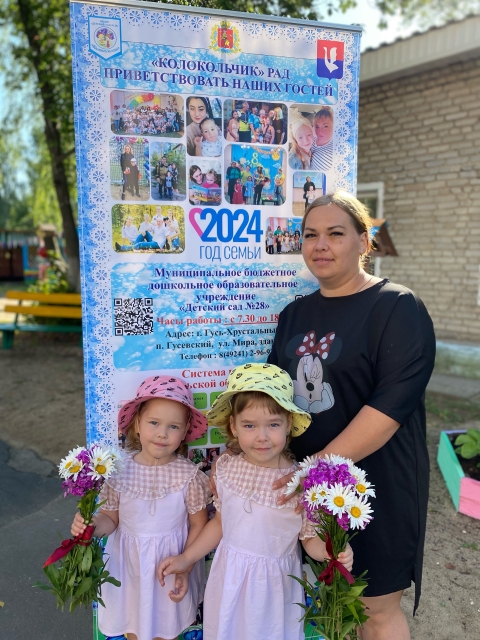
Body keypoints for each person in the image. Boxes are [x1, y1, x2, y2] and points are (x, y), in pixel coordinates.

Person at [268, 191, 436, 640]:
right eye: (310, 235)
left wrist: (314, 470)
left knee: (374, 608)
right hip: (309, 488)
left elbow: (390, 406)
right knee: (331, 602)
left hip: (376, 485)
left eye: (336, 234)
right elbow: (275, 397)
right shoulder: (294, 315)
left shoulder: (397, 306)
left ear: (364, 241)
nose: (320, 245)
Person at [158, 364, 353, 640]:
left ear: (288, 424)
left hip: (274, 591)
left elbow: (309, 539)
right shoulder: (226, 469)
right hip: (229, 581)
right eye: (249, 425)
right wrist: (186, 558)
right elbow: (220, 523)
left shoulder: (300, 484)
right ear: (234, 427)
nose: (262, 436)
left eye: (273, 424)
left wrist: (332, 552)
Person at [70, 376, 211, 640]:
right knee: (133, 623)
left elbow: (198, 525)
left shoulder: (189, 475)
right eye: (153, 423)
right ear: (137, 424)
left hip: (169, 567)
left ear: (184, 432)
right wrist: (92, 525)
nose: (162, 433)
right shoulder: (119, 471)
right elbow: (110, 518)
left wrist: (186, 565)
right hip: (128, 567)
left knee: (165, 628)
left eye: (173, 426)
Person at [311, 107, 334, 172]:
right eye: (317, 126)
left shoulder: (331, 153)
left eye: (325, 126)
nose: (320, 131)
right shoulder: (312, 138)